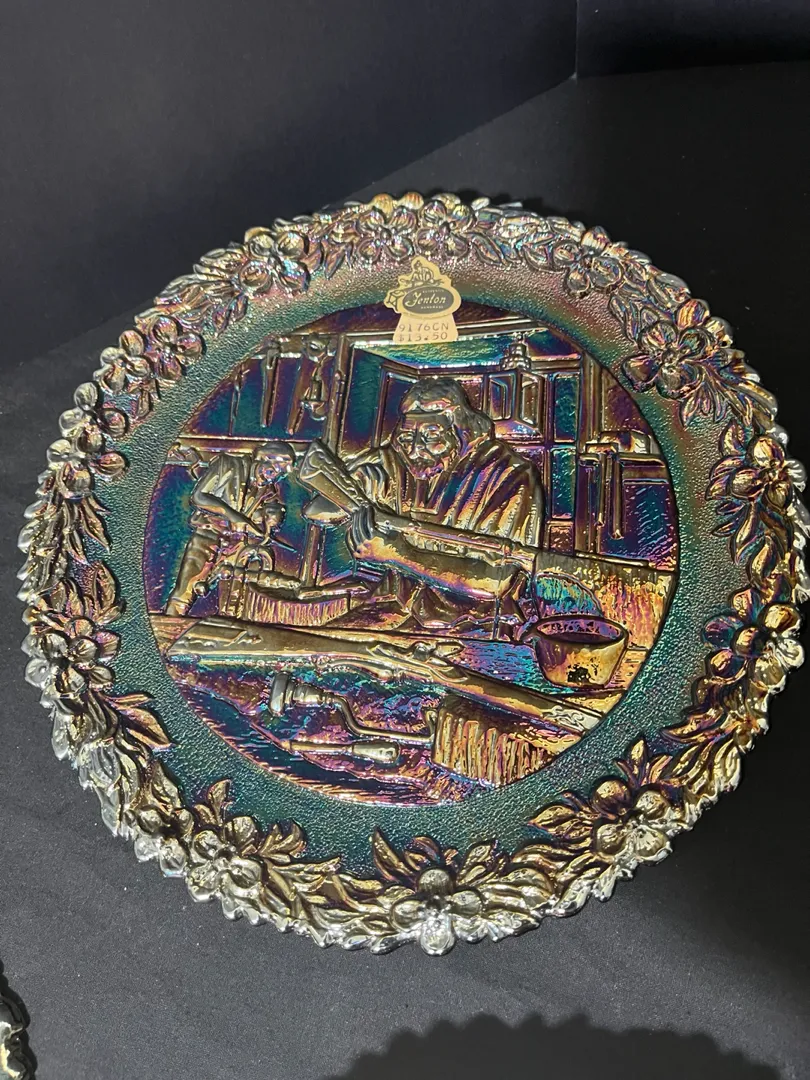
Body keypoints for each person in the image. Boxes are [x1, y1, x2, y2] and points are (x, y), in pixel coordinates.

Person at [312, 378, 544, 636]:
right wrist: (352, 487)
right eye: (407, 437)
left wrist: (397, 554)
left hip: (472, 621)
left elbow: (495, 581)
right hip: (393, 607)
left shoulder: (509, 476)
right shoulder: (392, 461)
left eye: (431, 436)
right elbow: (315, 512)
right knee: (320, 644)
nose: (414, 450)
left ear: (461, 430)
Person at [166, 441, 294, 616]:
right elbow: (198, 497)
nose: (273, 477)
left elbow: (268, 508)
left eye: (279, 475)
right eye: (273, 470)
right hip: (208, 534)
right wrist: (232, 516)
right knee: (186, 589)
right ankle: (172, 622)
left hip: (236, 545)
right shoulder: (227, 464)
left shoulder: (266, 489)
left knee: (233, 595)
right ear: (262, 458)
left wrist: (271, 517)